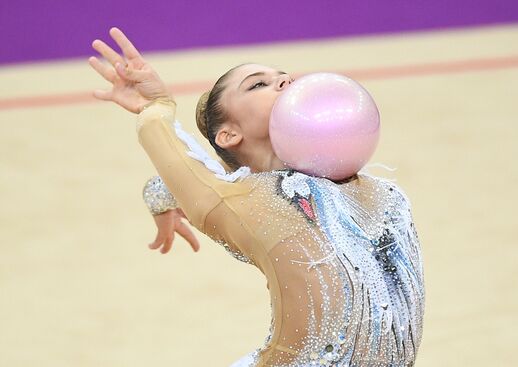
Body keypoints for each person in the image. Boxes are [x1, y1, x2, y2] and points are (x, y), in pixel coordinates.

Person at [89, 27, 425, 367]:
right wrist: (154, 107)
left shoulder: (382, 192)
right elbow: (195, 177)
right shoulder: (258, 203)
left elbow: (198, 179)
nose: (284, 82)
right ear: (229, 134)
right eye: (258, 84)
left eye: (284, 78)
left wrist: (160, 196)